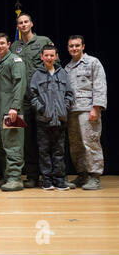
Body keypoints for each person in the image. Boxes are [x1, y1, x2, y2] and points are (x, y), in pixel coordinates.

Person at [10, 13, 58, 188]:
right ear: (17, 27)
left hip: (43, 98)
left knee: (47, 138)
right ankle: (31, 176)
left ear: (31, 23)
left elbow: (55, 67)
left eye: (26, 22)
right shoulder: (15, 46)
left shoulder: (43, 41)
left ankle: (51, 176)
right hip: (23, 100)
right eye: (20, 23)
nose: (23, 25)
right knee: (28, 140)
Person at [65, 35, 107, 190]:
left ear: (83, 46)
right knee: (76, 145)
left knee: (90, 143)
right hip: (72, 111)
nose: (74, 48)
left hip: (88, 109)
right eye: (71, 46)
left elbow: (100, 85)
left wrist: (96, 107)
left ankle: (94, 176)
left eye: (77, 45)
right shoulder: (67, 68)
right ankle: (82, 175)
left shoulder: (92, 62)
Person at [30, 45, 74, 190]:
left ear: (56, 57)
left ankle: (60, 180)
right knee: (44, 151)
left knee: (59, 151)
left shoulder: (63, 73)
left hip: (60, 120)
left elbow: (69, 94)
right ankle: (47, 180)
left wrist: (65, 107)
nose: (49, 58)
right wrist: (42, 109)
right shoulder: (37, 74)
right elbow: (32, 95)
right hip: (44, 120)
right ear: (42, 56)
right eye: (46, 55)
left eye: (51, 55)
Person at [0, 33, 27, 191]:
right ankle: (7, 176)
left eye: (2, 43)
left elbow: (19, 84)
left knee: (13, 144)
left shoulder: (15, 61)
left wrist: (15, 107)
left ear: (8, 44)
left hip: (12, 110)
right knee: (2, 145)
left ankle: (15, 178)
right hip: (0, 111)